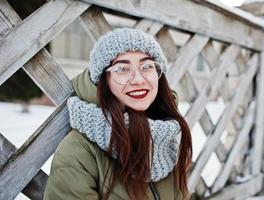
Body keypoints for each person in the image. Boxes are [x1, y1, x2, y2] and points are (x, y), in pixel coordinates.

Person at [44, 28, 192, 200]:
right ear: (103, 80)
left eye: (146, 66)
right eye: (122, 69)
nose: (138, 79)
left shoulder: (164, 137)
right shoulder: (78, 152)